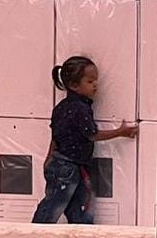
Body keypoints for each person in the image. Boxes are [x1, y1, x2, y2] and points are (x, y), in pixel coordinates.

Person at [32, 56, 137, 225]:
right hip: (68, 167)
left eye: (96, 80)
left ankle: (81, 235)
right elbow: (92, 135)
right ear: (74, 85)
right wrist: (120, 132)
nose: (95, 84)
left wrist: (49, 158)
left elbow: (56, 136)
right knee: (55, 207)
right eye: (90, 81)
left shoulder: (62, 107)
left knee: (78, 206)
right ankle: (35, 235)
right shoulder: (80, 109)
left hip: (68, 165)